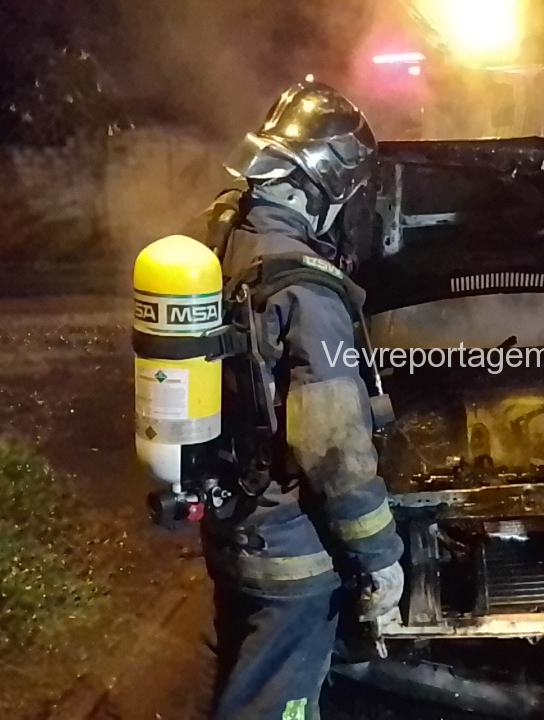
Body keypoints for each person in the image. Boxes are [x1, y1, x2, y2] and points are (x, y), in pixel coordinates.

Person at [195, 81, 404, 720]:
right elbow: (331, 447)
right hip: (291, 554)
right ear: (325, 185)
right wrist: (381, 558)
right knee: (277, 707)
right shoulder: (306, 290)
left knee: (242, 682)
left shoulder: (223, 243)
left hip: (232, 522)